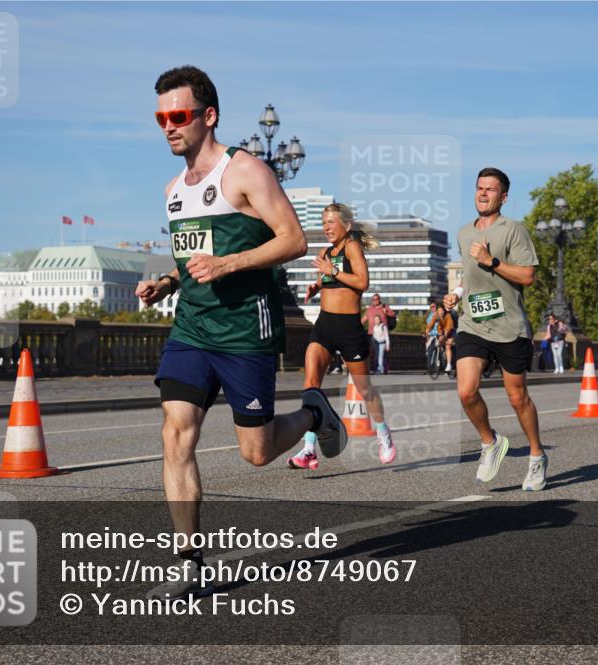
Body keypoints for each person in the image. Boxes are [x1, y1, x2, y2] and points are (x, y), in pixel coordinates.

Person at [136, 66, 347, 600]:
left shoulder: (246, 170)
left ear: (208, 117)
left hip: (243, 330)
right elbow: (193, 260)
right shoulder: (172, 190)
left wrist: (229, 265)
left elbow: (294, 240)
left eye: (178, 116)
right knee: (174, 431)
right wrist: (167, 280)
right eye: (161, 117)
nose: (168, 126)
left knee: (254, 452)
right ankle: (189, 561)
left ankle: (314, 413)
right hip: (191, 328)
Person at [443, 167, 547, 491]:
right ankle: (490, 442)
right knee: (465, 390)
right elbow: (470, 276)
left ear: (503, 197)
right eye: (479, 188)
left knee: (518, 399)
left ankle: (536, 456)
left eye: (490, 189)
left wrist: (493, 262)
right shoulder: (463, 233)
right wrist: (457, 294)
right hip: (473, 323)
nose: (483, 193)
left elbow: (527, 276)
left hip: (509, 326)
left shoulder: (513, 230)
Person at [288, 203, 394, 470]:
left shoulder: (352, 248)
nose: (326, 228)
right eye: (324, 223)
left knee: (364, 388)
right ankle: (309, 449)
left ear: (346, 225)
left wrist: (331, 272)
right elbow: (328, 280)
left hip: (349, 330)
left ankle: (384, 435)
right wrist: (316, 284)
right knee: (311, 385)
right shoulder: (325, 252)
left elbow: (362, 282)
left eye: (331, 222)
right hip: (324, 325)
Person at [363, 293, 395, 374]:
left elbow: (393, 314)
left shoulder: (384, 307)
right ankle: (377, 368)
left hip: (382, 334)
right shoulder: (369, 309)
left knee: (381, 353)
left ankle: (382, 368)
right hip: (372, 334)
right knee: (374, 352)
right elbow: (363, 319)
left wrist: (386, 312)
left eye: (376, 299)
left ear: (379, 299)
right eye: (373, 299)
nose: (375, 301)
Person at [426, 303, 456, 373]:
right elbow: (431, 324)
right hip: (441, 331)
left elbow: (449, 327)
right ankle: (442, 357)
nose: (440, 312)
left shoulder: (448, 316)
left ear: (444, 310)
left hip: (450, 332)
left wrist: (445, 334)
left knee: (448, 346)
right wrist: (427, 330)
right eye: (439, 311)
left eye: (442, 311)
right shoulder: (436, 315)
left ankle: (448, 365)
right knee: (440, 343)